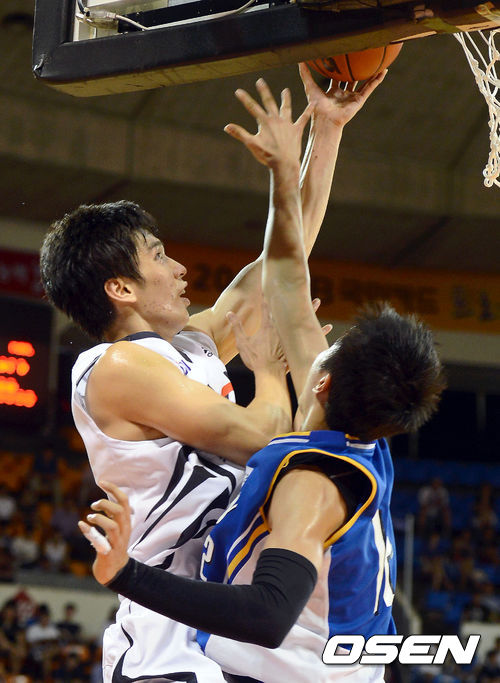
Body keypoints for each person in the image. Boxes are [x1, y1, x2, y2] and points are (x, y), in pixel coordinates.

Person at [80, 69, 445, 682]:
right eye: (160, 256)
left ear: (324, 383)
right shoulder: (119, 364)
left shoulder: (303, 460)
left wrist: (318, 139)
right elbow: (285, 273)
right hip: (173, 634)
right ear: (121, 289)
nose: (179, 268)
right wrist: (321, 135)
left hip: (224, 623)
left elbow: (282, 273)